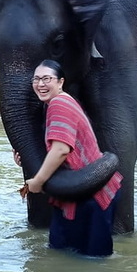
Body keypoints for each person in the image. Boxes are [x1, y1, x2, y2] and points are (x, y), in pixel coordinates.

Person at [19, 59, 122, 257]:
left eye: (47, 79)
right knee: (64, 254)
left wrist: (37, 182)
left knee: (92, 261)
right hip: (76, 192)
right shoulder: (60, 103)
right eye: (36, 79)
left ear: (60, 82)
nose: (40, 84)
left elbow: (61, 150)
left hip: (92, 193)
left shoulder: (59, 103)